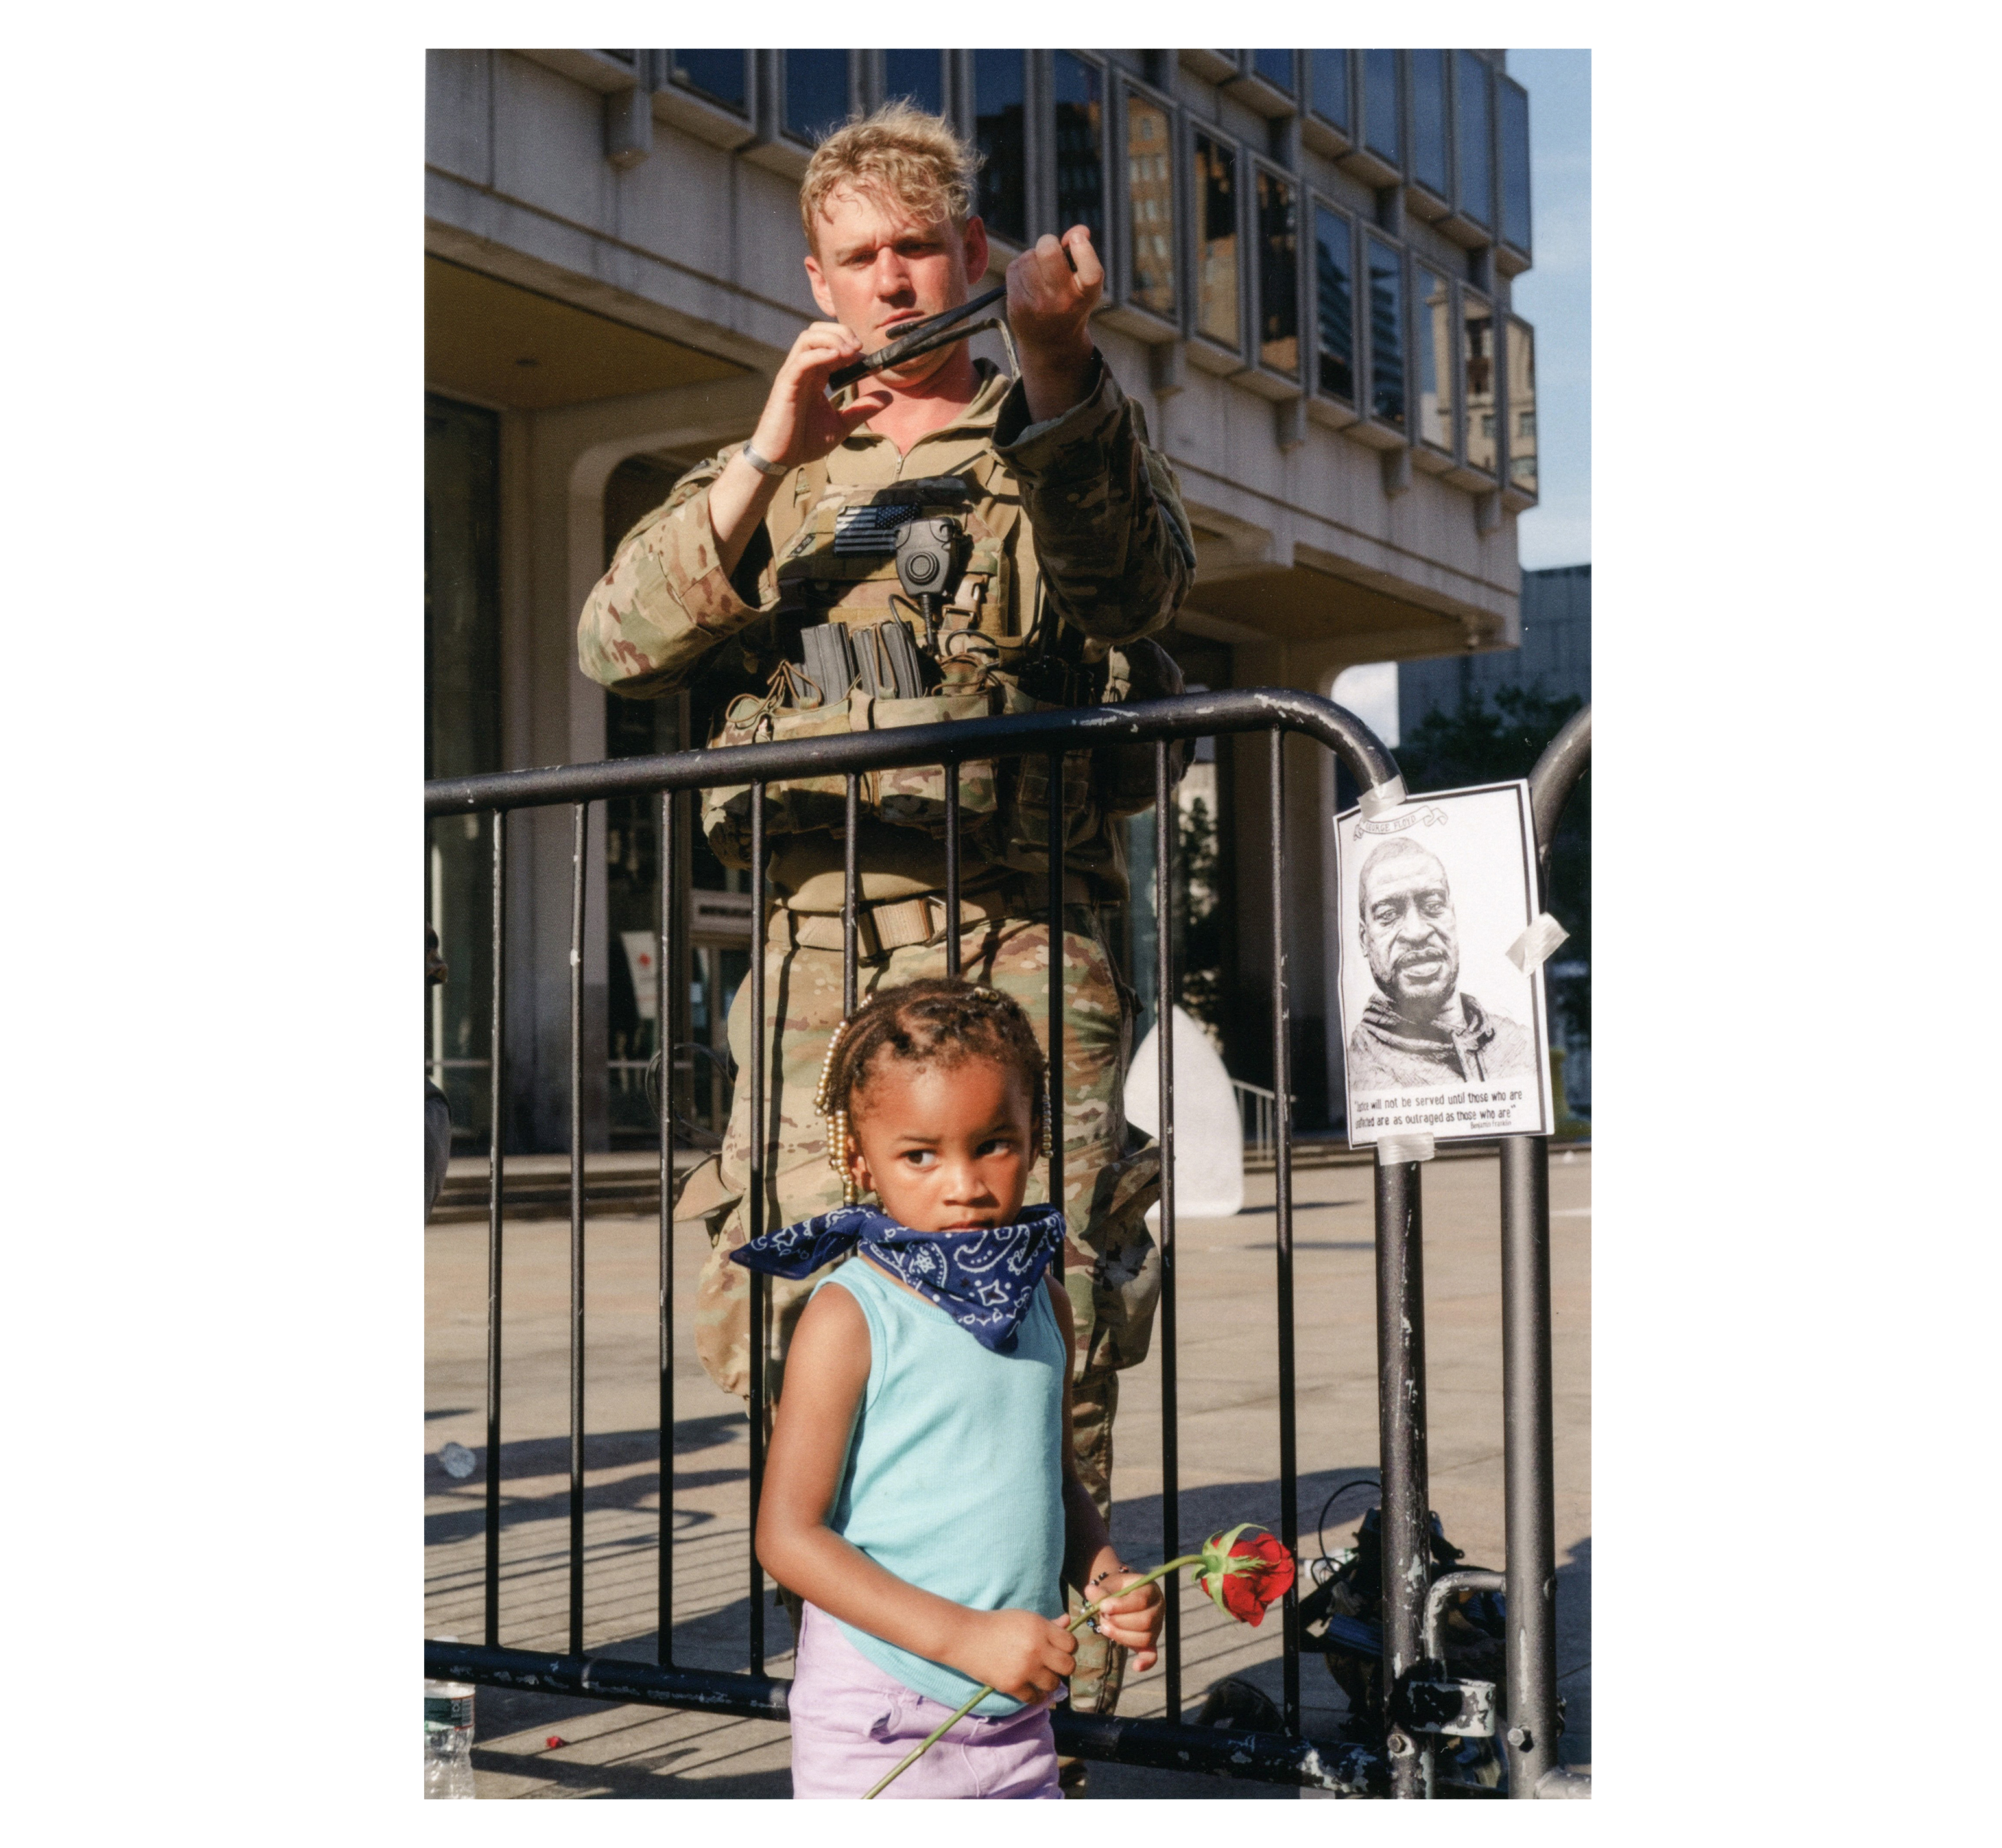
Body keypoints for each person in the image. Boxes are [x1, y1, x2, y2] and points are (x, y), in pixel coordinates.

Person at [576, 101, 1191, 1725]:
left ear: (972, 255)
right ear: (816, 279)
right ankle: (857, 1668)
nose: (895, 282)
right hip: (818, 934)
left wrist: (1060, 375)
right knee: (797, 1261)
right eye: (859, 259)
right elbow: (612, 642)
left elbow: (1134, 591)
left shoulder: (1048, 432)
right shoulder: (769, 478)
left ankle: (1048, 1687)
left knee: (1042, 1263)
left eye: (920, 249)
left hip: (1021, 923)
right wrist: (773, 441)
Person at [741, 980, 1162, 1799]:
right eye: (920, 1155)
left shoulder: (1042, 1296)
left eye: (993, 1144)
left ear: (1036, 1138)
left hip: (1017, 1719)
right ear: (861, 1159)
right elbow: (788, 1537)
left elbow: (1051, 1475)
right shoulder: (850, 1316)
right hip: (882, 1714)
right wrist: (964, 1637)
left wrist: (1107, 1574)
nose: (963, 1184)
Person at [1344, 836, 1521, 1087]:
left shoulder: (1520, 1044)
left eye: (1433, 905)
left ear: (1453, 917)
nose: (1416, 933)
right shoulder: (1357, 1066)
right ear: (1364, 939)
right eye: (1388, 914)